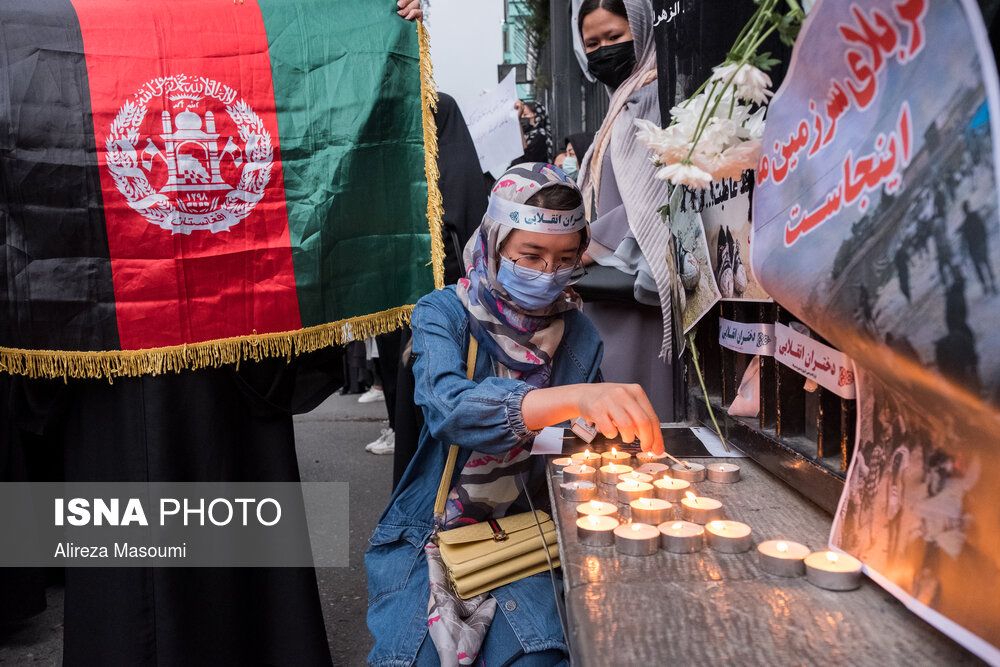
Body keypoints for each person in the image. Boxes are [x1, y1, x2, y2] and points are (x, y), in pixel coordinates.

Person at [366, 163, 663, 666]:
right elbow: (450, 410)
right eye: (531, 255)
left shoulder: (579, 334)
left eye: (565, 259)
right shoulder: (444, 313)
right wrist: (573, 399)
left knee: (535, 657)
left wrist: (599, 439)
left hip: (527, 529)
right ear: (494, 243)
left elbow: (569, 445)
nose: (548, 273)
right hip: (434, 531)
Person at [574, 0, 680, 420]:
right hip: (607, 284)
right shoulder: (621, 102)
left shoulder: (651, 98)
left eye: (615, 37)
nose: (603, 51)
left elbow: (654, 198)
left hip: (631, 283)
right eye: (592, 43)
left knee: (636, 402)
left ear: (642, 29)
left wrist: (588, 245)